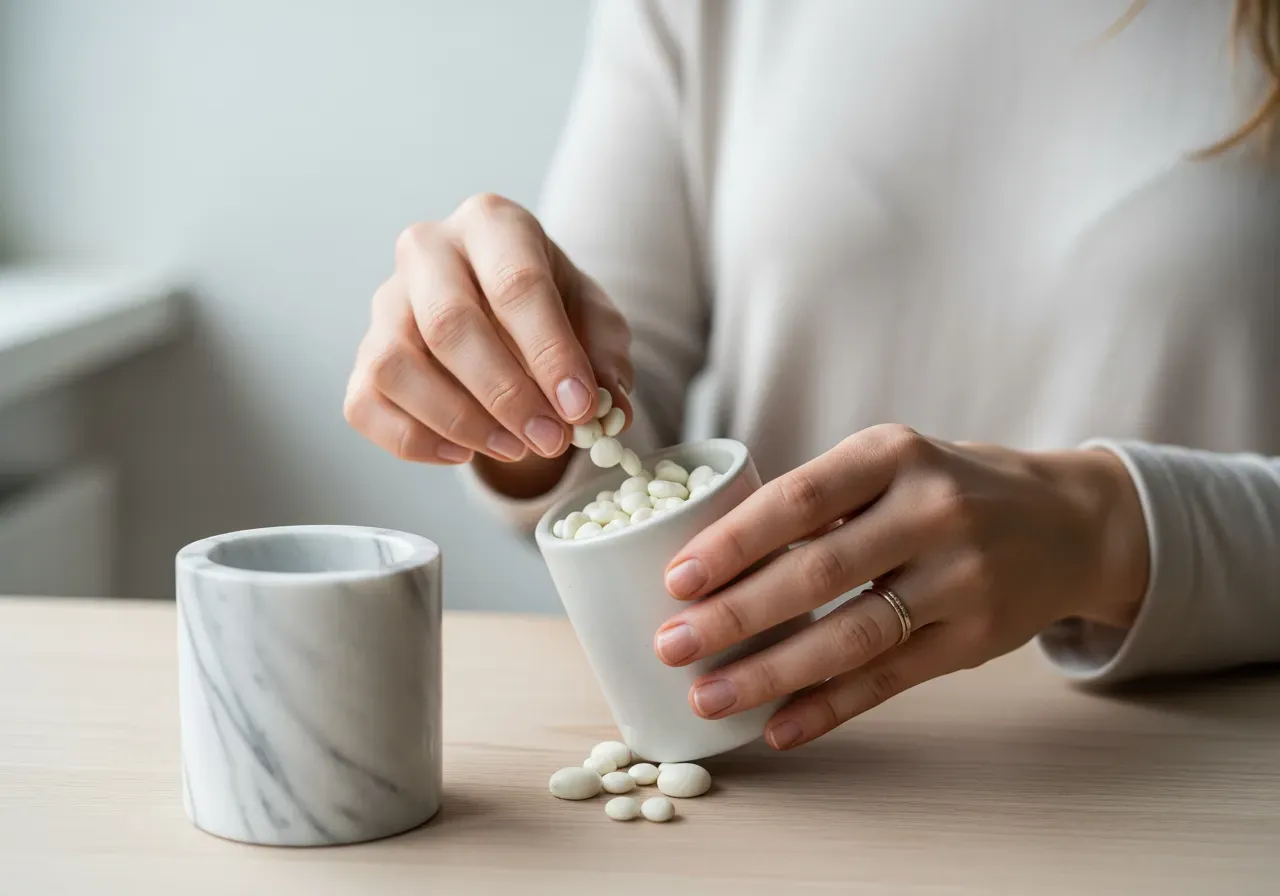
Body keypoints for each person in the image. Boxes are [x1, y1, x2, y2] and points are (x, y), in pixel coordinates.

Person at [344, 1, 1280, 751]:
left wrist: (1106, 530)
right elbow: (616, 448)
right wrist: (501, 387)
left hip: (1187, 764)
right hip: (803, 776)